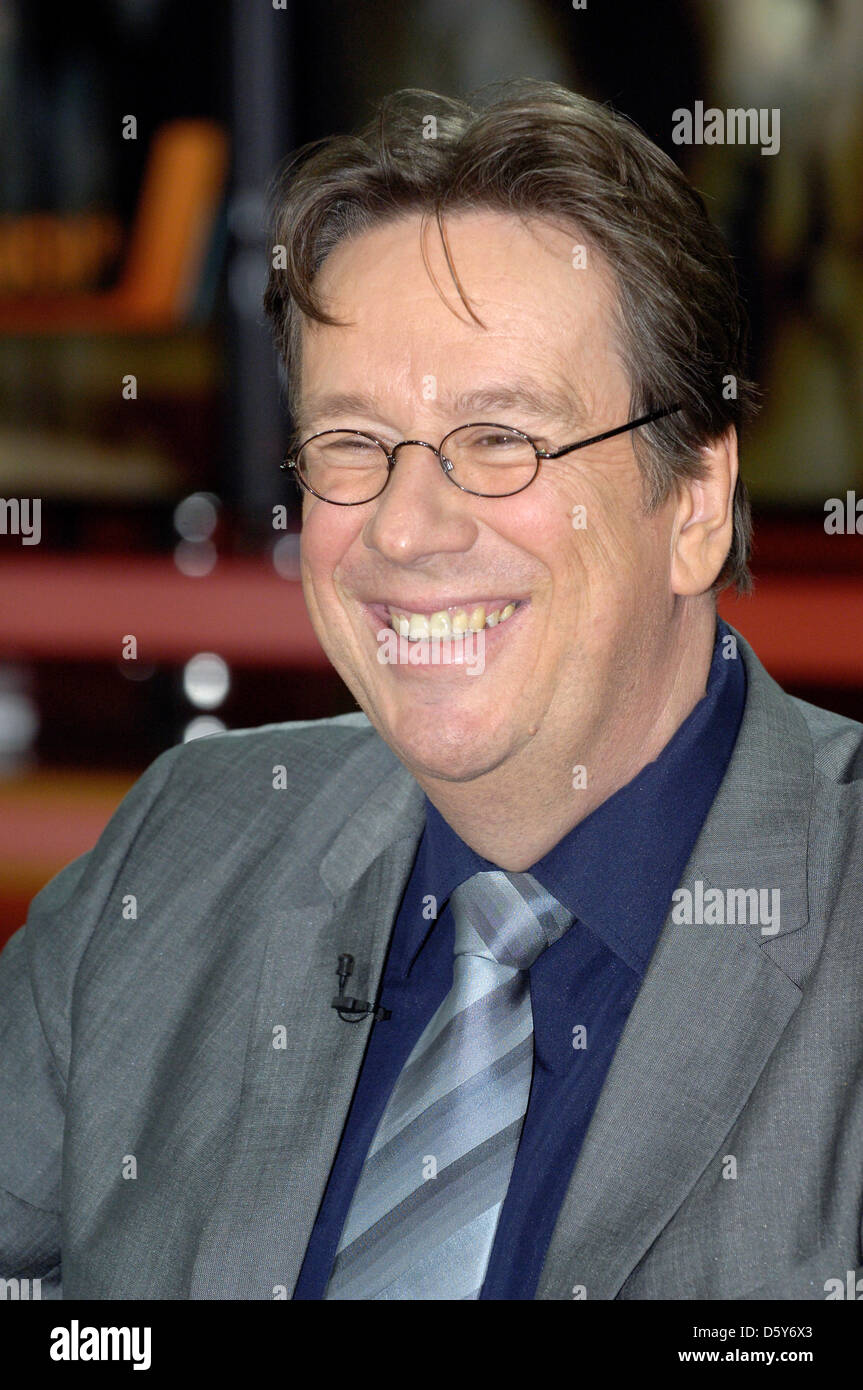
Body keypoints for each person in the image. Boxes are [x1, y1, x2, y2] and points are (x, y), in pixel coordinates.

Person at [2, 82, 861, 1301]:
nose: (402, 528)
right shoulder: (179, 848)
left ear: (695, 505)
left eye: (500, 437)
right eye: (351, 443)